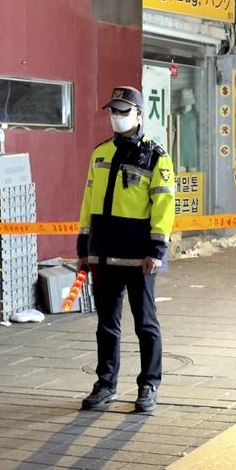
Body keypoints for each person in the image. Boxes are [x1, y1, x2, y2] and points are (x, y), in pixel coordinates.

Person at [77, 86, 175, 413]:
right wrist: (83, 246)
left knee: (145, 323)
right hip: (103, 253)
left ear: (139, 114)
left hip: (139, 256)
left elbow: (164, 206)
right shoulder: (99, 153)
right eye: (113, 111)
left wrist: (157, 250)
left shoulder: (157, 157)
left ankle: (149, 385)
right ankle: (106, 384)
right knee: (106, 324)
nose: (116, 117)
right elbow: (88, 203)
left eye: (123, 111)